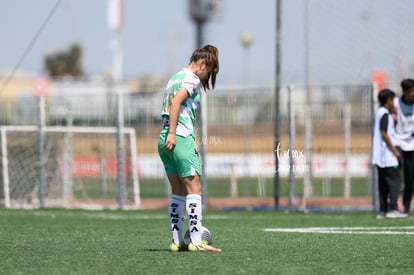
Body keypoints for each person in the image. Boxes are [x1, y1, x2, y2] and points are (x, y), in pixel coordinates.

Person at [158, 45, 221, 252]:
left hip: (164, 139)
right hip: (179, 138)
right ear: (202, 63)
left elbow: (170, 103)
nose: (206, 77)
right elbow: (176, 102)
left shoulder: (174, 78)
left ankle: (177, 242)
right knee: (195, 190)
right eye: (209, 71)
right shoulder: (191, 79)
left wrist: (170, 133)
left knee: (177, 193)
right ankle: (196, 240)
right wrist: (176, 134)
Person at [372, 89, 407, 219]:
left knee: (383, 184)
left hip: (379, 157)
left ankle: (383, 210)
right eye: (392, 99)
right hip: (387, 156)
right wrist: (395, 151)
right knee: (394, 182)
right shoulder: (385, 114)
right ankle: (393, 208)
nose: (394, 102)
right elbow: (384, 133)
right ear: (388, 100)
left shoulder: (379, 113)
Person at [394, 79, 414, 215]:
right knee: (398, 178)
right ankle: (396, 206)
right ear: (405, 92)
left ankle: (406, 207)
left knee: (411, 178)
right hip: (399, 144)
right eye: (411, 91)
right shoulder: (395, 104)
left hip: (412, 145)